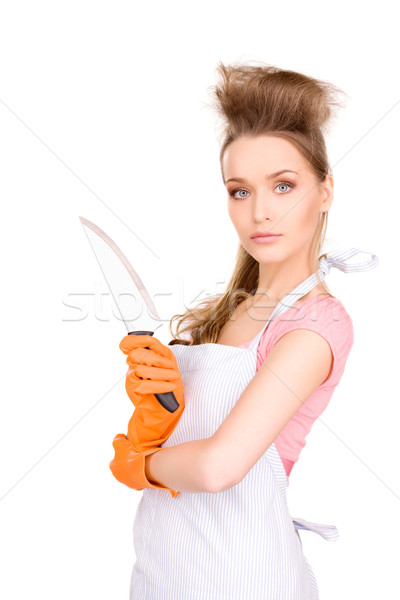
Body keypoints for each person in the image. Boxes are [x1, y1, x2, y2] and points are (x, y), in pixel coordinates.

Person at [109, 61, 379, 599]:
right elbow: (195, 440)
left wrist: (143, 464)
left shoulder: (315, 324)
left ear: (325, 190)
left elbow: (218, 468)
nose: (261, 212)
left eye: (284, 185)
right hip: (164, 573)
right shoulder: (223, 311)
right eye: (239, 190)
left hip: (244, 577)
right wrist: (156, 418)